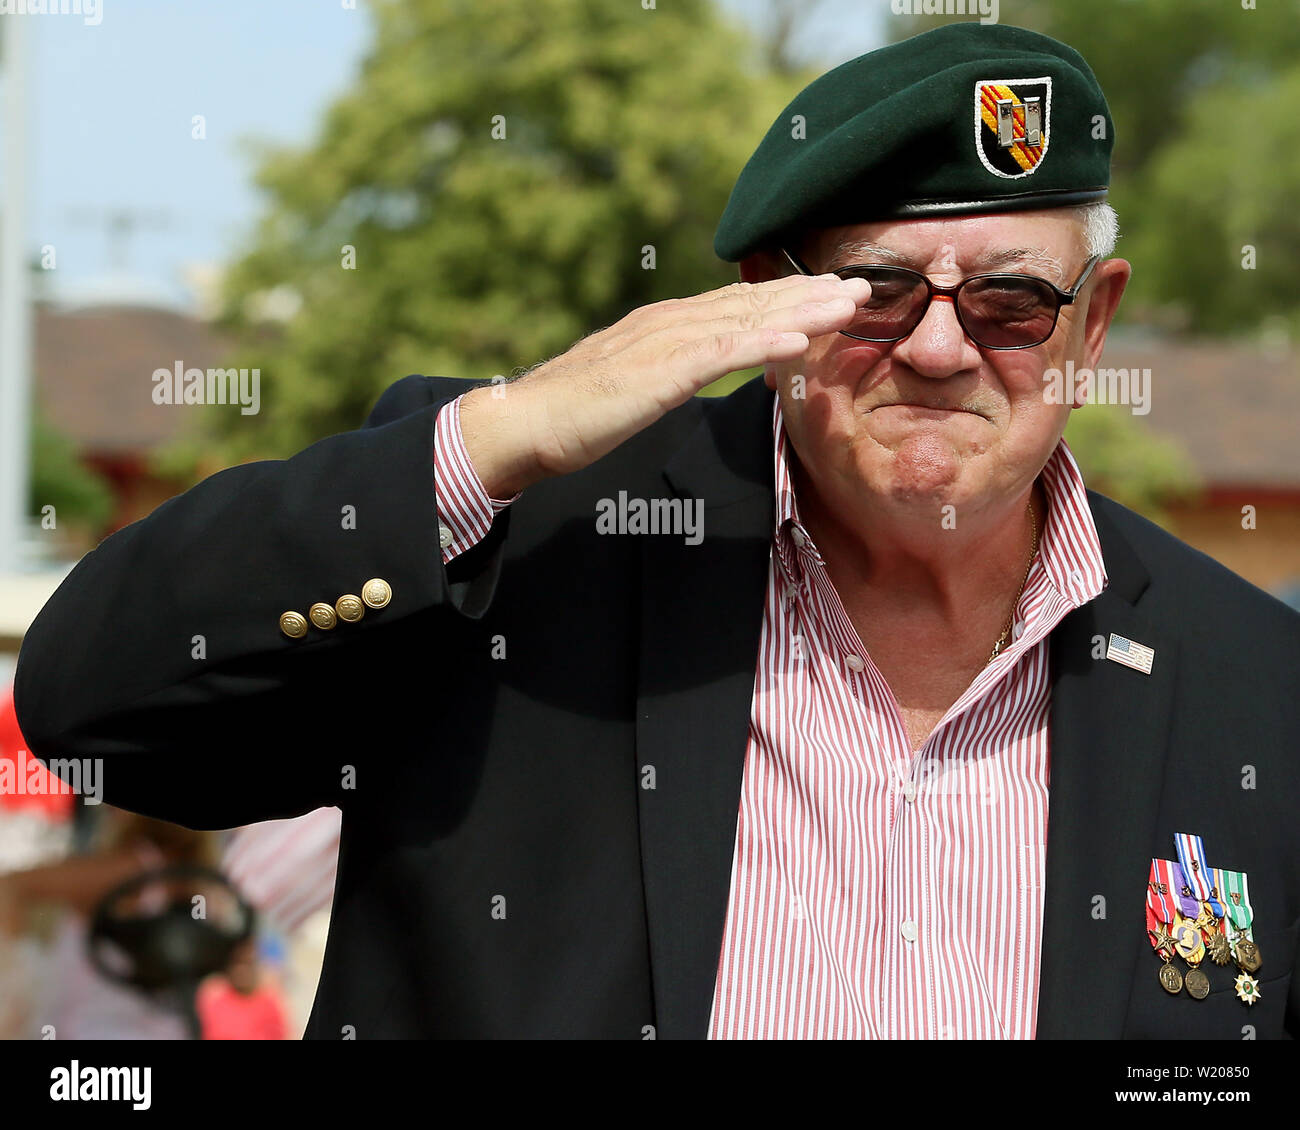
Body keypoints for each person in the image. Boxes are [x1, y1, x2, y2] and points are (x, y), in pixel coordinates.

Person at [14, 23, 1299, 1039]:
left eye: (1013, 300)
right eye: (878, 291)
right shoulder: (536, 556)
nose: (942, 345)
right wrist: (491, 441)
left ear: (1095, 318)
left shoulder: (1247, 676)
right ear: (769, 300)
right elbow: (95, 704)